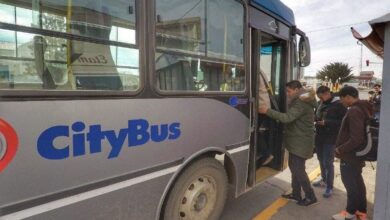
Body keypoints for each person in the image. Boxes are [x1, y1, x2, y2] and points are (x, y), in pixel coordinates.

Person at [259, 80, 317, 206]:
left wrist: (267, 111)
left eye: (289, 91)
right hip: (297, 141)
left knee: (299, 170)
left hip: (301, 142)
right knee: (294, 168)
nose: (287, 94)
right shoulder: (300, 100)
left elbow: (287, 118)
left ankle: (310, 196)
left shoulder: (301, 103)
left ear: (296, 90)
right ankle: (296, 194)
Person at [332, 86, 373, 220]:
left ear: (348, 97)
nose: (342, 101)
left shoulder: (354, 110)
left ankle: (349, 213)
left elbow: (356, 138)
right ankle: (361, 211)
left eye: (342, 99)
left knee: (351, 185)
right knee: (358, 184)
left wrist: (340, 149)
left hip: (350, 155)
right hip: (357, 155)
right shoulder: (363, 108)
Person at [312, 86, 347, 198]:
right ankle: (324, 179)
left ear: (327, 93)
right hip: (319, 136)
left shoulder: (339, 104)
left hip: (331, 138)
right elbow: (317, 115)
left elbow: (344, 122)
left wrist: (326, 122)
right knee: (320, 159)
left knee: (328, 162)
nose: (320, 100)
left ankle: (329, 187)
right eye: (319, 98)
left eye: (321, 97)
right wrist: (314, 118)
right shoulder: (320, 103)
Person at [257, 70, 274, 166]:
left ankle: (266, 154)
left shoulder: (254, 70)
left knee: (255, 132)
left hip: (261, 107)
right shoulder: (261, 71)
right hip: (264, 105)